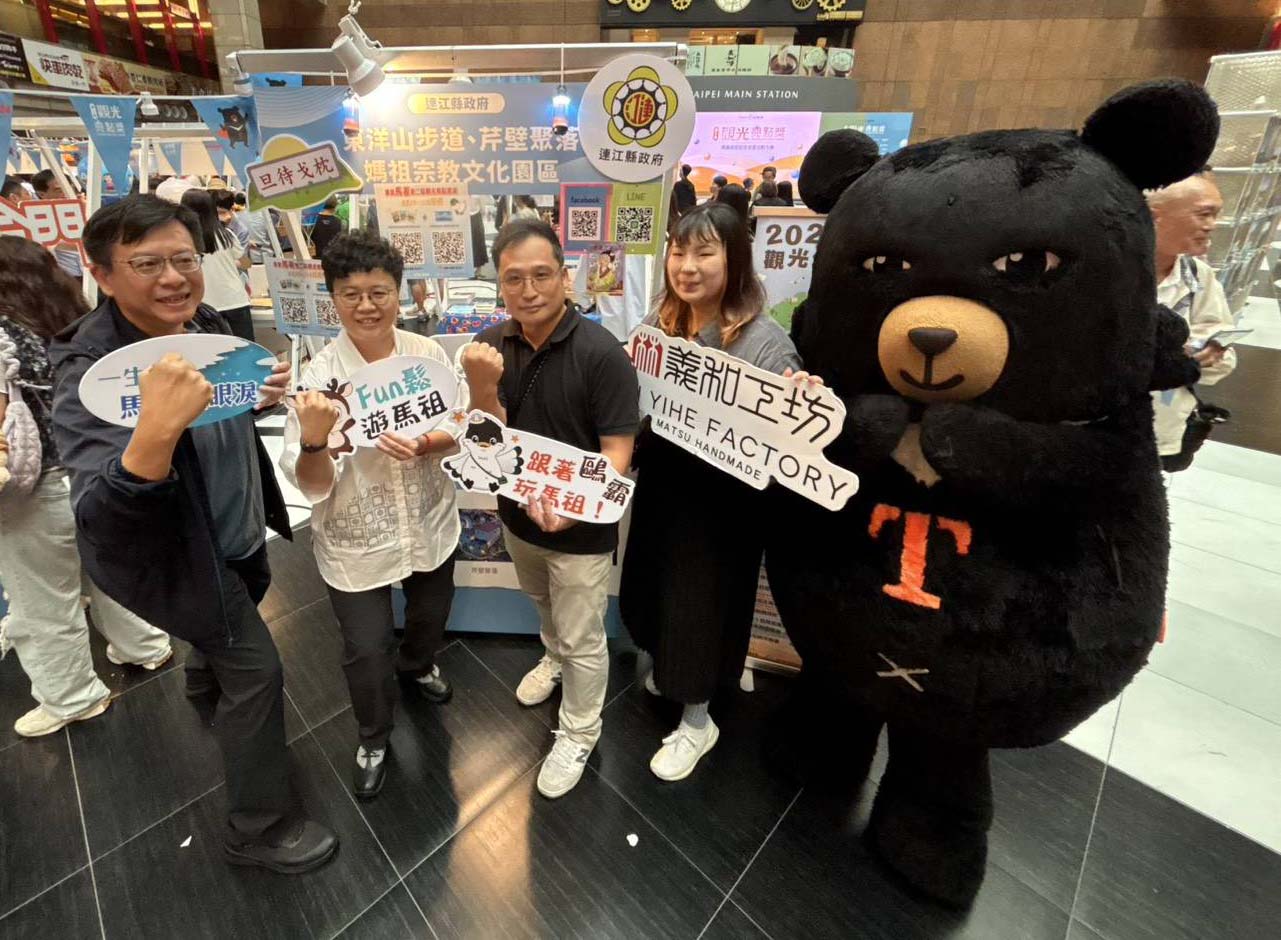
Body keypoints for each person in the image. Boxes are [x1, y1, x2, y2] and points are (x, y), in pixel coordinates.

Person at [50, 194, 337, 873]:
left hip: (235, 531)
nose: (174, 277)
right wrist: (155, 428)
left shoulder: (200, 322)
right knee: (258, 670)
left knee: (224, 652)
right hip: (178, 559)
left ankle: (209, 694)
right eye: (147, 263)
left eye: (185, 258)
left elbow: (222, 408)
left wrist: (254, 393)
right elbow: (101, 515)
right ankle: (257, 830)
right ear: (102, 271)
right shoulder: (87, 367)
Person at [620, 203, 814, 781]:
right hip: (662, 491)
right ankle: (676, 675)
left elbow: (789, 437)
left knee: (699, 606)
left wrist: (797, 401)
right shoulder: (658, 325)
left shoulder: (764, 341)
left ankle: (698, 721)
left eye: (705, 252)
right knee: (652, 589)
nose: (688, 266)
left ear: (735, 259)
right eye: (679, 251)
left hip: (721, 509)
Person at [460, 219, 638, 799]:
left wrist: (575, 508)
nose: (529, 289)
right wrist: (481, 385)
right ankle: (552, 659)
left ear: (565, 277)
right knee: (542, 604)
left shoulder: (601, 352)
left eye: (541, 275)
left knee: (585, 632)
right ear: (500, 284)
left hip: (581, 530)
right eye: (515, 278)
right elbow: (487, 434)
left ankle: (580, 732)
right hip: (517, 517)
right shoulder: (489, 343)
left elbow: (618, 451)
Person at [281, 232, 461, 801]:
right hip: (357, 539)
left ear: (398, 292)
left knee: (431, 614)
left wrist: (431, 440)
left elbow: (460, 430)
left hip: (428, 522)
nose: (366, 305)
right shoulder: (317, 380)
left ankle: (420, 664)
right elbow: (310, 487)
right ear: (333, 297)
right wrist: (313, 442)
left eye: (379, 291)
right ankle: (373, 736)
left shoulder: (427, 356)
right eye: (350, 293)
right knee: (365, 647)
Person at [0, 236, 173, 738]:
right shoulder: (74, 326)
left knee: (43, 600)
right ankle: (146, 646)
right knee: (111, 571)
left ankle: (73, 696)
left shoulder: (3, 337)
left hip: (29, 490)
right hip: (95, 471)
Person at [1146, 172, 1238, 471]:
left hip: (1162, 430)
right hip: (1090, 427)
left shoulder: (1198, 276)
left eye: (1216, 214)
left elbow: (1225, 354)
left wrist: (1200, 357)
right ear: (1156, 216)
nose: (1211, 225)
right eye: (1204, 213)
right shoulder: (1103, 271)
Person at [180, 189, 253, 342]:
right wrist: (230, 263)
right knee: (245, 351)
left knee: (211, 357)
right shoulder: (226, 234)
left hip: (203, 306)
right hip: (235, 299)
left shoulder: (183, 238)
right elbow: (246, 262)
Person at [31, 170, 84, 280]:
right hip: (65, 279)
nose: (66, 194)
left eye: (70, 188)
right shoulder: (37, 218)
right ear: (42, 194)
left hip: (92, 274)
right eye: (59, 190)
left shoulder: (82, 208)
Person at [310, 196, 343, 260]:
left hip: (316, 258)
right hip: (332, 259)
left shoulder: (313, 220)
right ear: (335, 205)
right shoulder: (338, 222)